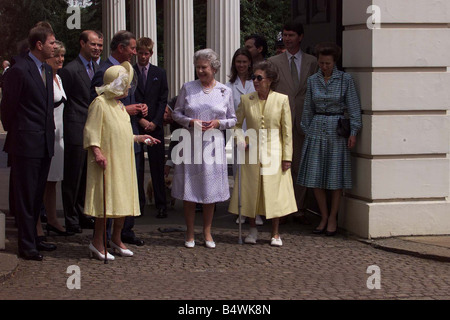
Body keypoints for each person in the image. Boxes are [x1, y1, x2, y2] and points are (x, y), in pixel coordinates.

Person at [84, 62, 159, 261]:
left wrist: (139, 138)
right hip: (107, 161)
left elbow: (123, 133)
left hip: (123, 160)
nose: (128, 88)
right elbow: (91, 130)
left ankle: (116, 240)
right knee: (105, 204)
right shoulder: (100, 103)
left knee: (122, 201)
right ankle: (97, 242)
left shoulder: (119, 105)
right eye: (125, 84)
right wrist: (97, 151)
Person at [0, 26, 57, 261]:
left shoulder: (45, 67)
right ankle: (26, 245)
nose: (55, 46)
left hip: (44, 143)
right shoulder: (19, 70)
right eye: (52, 42)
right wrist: (19, 133)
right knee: (25, 196)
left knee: (36, 196)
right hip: (25, 142)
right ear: (39, 45)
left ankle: (34, 237)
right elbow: (8, 108)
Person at [172, 48, 237, 249]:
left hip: (213, 145)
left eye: (204, 67)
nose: (200, 71)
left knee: (210, 189)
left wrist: (218, 123)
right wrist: (190, 122)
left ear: (214, 68)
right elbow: (176, 113)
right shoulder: (188, 88)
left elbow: (233, 119)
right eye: (198, 67)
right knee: (190, 189)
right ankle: (190, 233)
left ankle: (207, 232)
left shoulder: (225, 91)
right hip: (191, 142)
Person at [228, 60, 297, 247]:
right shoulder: (246, 99)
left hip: (274, 153)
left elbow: (287, 131)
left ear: (270, 79)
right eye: (254, 77)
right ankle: (252, 230)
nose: (255, 81)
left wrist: (287, 157)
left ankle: (275, 233)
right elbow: (235, 125)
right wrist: (241, 140)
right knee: (251, 191)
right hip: (251, 153)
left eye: (259, 78)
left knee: (274, 193)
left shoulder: (282, 100)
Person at [297, 43, 362, 236]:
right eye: (321, 62)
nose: (324, 66)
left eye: (327, 63)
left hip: (337, 129)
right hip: (317, 128)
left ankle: (333, 217)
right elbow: (308, 107)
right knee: (315, 176)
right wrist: (306, 129)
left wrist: (354, 132)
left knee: (335, 177)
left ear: (334, 62)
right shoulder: (312, 80)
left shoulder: (345, 80)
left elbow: (353, 106)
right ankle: (323, 216)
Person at [90, 30, 148, 247]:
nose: (135, 52)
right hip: (110, 145)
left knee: (127, 190)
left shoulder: (128, 70)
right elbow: (96, 106)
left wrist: (139, 114)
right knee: (110, 193)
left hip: (126, 139)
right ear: (121, 48)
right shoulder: (104, 72)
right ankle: (101, 239)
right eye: (133, 48)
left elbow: (126, 101)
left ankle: (121, 234)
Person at [269, 18, 318, 224]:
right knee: (281, 166)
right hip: (281, 120)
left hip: (304, 119)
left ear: (300, 37)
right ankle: (280, 207)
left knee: (300, 164)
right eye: (285, 35)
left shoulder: (312, 62)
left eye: (291, 36)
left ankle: (298, 207)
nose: (287, 39)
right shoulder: (273, 62)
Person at [59, 30, 101, 234]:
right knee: (73, 176)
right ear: (82, 44)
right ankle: (71, 217)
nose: (96, 48)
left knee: (87, 175)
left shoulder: (99, 68)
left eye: (99, 45)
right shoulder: (70, 70)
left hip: (94, 128)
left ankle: (84, 213)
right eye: (93, 44)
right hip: (75, 127)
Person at [225, 48, 263, 226]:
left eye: (244, 62)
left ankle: (256, 212)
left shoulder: (255, 82)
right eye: (238, 62)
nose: (241, 65)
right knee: (240, 173)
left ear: (250, 63)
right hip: (238, 133)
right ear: (234, 64)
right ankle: (241, 209)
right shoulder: (228, 86)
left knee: (257, 173)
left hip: (256, 133)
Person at [40, 41, 73, 237]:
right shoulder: (43, 77)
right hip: (46, 135)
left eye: (62, 56)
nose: (60, 59)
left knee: (52, 182)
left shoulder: (59, 78)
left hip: (59, 136)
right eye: (56, 56)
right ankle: (38, 221)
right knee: (42, 181)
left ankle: (52, 219)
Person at [133, 37, 169, 219]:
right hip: (137, 125)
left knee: (157, 166)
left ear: (151, 54)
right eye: (140, 53)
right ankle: (138, 204)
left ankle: (161, 204)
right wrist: (140, 120)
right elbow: (128, 100)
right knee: (137, 167)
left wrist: (154, 121)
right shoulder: (130, 72)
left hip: (155, 125)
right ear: (136, 52)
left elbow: (163, 99)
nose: (143, 57)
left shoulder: (159, 73)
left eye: (146, 54)